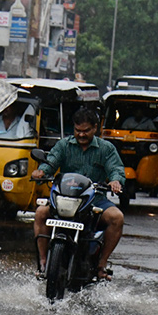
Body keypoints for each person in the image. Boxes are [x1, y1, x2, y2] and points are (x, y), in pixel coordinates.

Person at [31, 107, 125, 280]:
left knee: (117, 218)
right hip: (64, 199)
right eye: (77, 131)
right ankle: (43, 263)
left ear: (95, 128)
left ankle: (101, 265)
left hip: (95, 200)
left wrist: (115, 181)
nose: (81, 135)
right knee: (40, 213)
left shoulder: (106, 149)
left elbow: (116, 169)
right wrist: (41, 172)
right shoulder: (63, 145)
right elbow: (50, 162)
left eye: (86, 131)